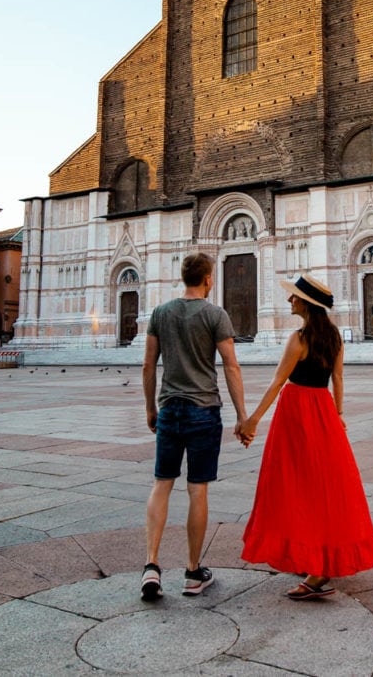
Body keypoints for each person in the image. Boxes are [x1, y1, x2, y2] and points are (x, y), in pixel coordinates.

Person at [238, 273, 373, 600]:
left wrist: (252, 420)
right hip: (323, 413)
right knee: (324, 487)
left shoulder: (298, 339)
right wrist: (339, 414)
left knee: (295, 485)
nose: (290, 300)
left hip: (297, 415)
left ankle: (318, 569)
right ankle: (314, 556)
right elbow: (339, 379)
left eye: (294, 297)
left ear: (307, 304)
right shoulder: (334, 337)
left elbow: (277, 383)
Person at [140, 252, 250, 601]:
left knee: (162, 484)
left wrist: (150, 408)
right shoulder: (215, 314)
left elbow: (147, 365)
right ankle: (192, 572)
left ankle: (152, 566)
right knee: (197, 489)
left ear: (182, 277)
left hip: (169, 408)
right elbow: (231, 366)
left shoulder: (161, 312)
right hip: (204, 410)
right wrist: (242, 415)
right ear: (207, 279)